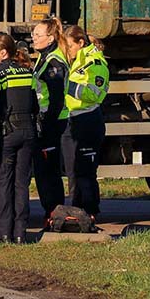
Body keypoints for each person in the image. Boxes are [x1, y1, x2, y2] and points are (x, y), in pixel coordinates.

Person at [0, 32, 38, 244]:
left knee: (3, 182)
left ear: (3, 51)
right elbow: (34, 104)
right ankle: (20, 234)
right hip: (28, 132)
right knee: (21, 184)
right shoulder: (26, 72)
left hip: (6, 134)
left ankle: (3, 233)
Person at [61, 25, 110, 220]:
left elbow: (93, 94)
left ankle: (90, 213)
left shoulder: (95, 63)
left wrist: (67, 85)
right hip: (73, 119)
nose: (68, 50)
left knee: (85, 172)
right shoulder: (76, 62)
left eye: (70, 46)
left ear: (81, 43)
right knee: (73, 172)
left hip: (88, 119)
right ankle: (76, 211)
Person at [30, 17, 69, 222]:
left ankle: (54, 213)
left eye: (38, 35)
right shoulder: (43, 58)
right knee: (43, 171)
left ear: (51, 38)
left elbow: (56, 98)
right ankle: (51, 211)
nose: (33, 39)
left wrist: (46, 122)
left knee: (49, 172)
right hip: (46, 120)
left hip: (53, 122)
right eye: (33, 35)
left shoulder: (54, 61)